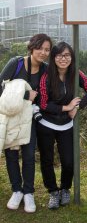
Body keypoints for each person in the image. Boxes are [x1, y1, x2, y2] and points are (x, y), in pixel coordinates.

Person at [37, 41, 87, 210]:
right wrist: (66, 107)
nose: (63, 59)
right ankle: (53, 192)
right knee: (47, 160)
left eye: (67, 55)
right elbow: (42, 103)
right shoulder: (46, 75)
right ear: (53, 57)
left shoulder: (75, 74)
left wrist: (77, 107)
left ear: (72, 57)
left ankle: (65, 189)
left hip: (65, 125)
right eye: (59, 55)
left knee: (68, 161)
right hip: (46, 123)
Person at [0, 33, 52, 213]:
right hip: (12, 117)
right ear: (32, 48)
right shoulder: (17, 63)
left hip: (30, 119)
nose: (43, 52)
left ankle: (28, 192)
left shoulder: (46, 70)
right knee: (11, 155)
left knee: (29, 155)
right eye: (40, 48)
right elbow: (1, 84)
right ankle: (16, 190)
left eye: (47, 50)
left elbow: (48, 94)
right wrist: (24, 96)